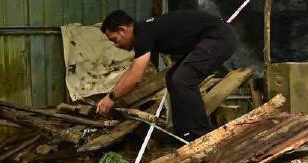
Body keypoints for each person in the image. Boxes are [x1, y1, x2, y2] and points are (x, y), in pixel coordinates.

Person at [97, 9, 237, 141]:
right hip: (210, 38)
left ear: (123, 30)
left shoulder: (143, 33)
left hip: (219, 37)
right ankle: (183, 133)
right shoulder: (144, 31)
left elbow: (135, 78)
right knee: (173, 77)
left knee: (182, 79)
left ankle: (201, 135)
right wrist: (110, 95)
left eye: (115, 40)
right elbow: (131, 71)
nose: (117, 45)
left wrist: (111, 98)